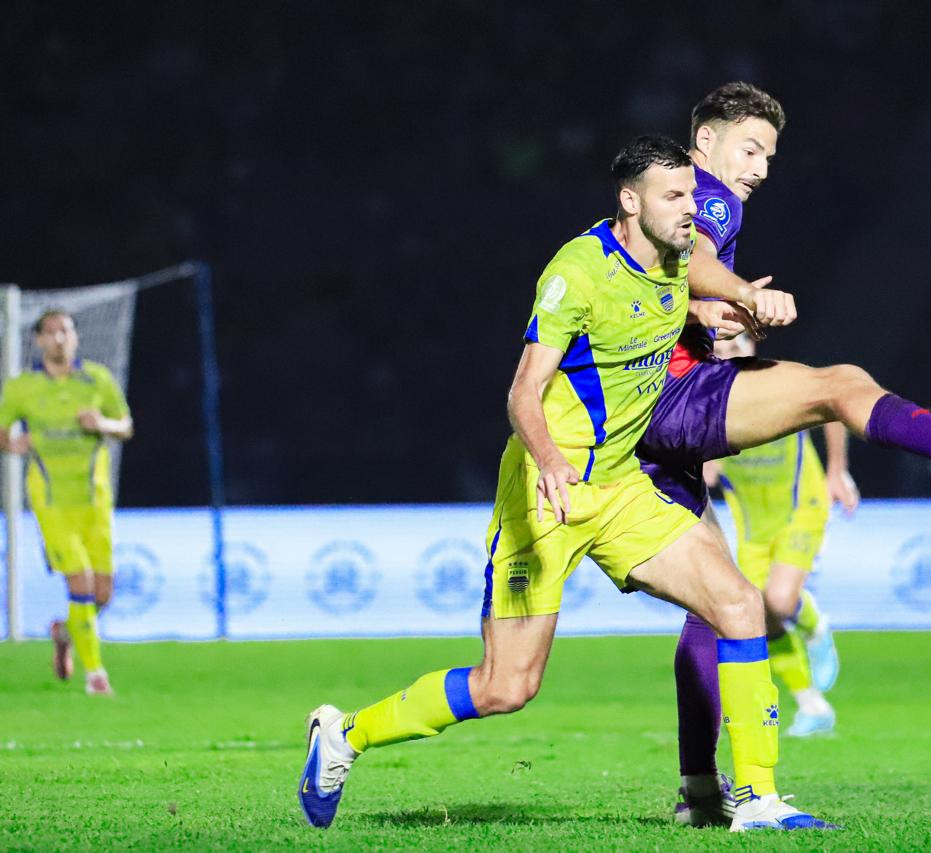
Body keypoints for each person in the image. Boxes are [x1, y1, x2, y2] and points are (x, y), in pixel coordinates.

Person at [297, 135, 838, 832]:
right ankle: (345, 734)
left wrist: (717, 309)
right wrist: (552, 463)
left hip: (620, 488)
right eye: (672, 196)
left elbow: (666, 311)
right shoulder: (575, 272)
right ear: (628, 199)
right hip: (545, 492)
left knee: (737, 603)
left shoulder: (673, 262)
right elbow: (523, 392)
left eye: (690, 195)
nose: (688, 210)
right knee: (506, 686)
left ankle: (757, 800)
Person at [635, 82, 931, 826]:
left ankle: (701, 791)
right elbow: (698, 254)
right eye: (750, 147)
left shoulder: (654, 202)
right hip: (666, 404)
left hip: (632, 411)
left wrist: (715, 308)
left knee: (711, 609)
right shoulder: (708, 197)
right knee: (840, 383)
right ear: (704, 142)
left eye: (770, 155)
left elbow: (673, 277)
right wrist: (734, 291)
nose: (762, 167)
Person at [704, 335, 852, 738]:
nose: (729, 354)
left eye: (736, 345)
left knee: (778, 600)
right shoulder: (706, 403)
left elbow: (836, 407)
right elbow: (706, 473)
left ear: (753, 345)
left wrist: (837, 472)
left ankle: (814, 624)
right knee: (759, 616)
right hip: (753, 530)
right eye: (720, 347)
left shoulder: (780, 381)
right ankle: (812, 705)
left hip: (801, 510)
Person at [0, 309, 134, 696]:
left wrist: (103, 424)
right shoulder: (22, 388)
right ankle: (96, 675)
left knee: (102, 594)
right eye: (52, 332)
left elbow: (125, 425)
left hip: (95, 498)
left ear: (75, 337)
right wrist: (12, 443)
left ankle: (64, 631)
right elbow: (2, 432)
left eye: (66, 331)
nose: (60, 338)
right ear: (39, 340)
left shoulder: (97, 379)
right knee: (81, 580)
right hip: (52, 498)